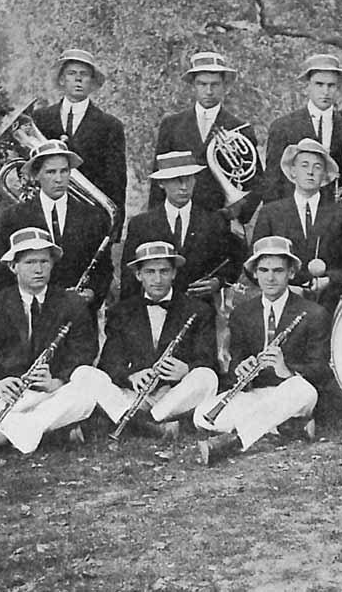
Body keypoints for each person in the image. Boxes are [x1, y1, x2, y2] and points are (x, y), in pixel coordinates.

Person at [0, 228, 98, 454]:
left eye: (44, 261)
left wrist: (56, 381)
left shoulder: (72, 303)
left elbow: (84, 354)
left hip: (52, 395)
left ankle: (1, 437)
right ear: (13, 266)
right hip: (8, 400)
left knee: (87, 391)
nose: (39, 269)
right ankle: (42, 432)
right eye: (30, 262)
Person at [194, 236, 331, 464]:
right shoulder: (242, 313)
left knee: (302, 390)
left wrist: (285, 370)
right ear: (255, 274)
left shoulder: (314, 313)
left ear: (291, 274)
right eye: (264, 270)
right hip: (256, 396)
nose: (270, 277)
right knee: (202, 415)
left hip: (293, 394)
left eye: (278, 270)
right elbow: (236, 361)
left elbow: (321, 370)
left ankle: (234, 442)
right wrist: (241, 369)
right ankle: (281, 429)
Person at [72, 241, 219, 439]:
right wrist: (131, 376)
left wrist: (187, 369)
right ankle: (153, 426)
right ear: (138, 275)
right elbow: (109, 363)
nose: (157, 279)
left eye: (164, 271)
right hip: (135, 396)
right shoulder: (121, 311)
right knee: (86, 374)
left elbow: (209, 360)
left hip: (175, 395)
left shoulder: (198, 310)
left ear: (174, 273)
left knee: (205, 377)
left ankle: (139, 421)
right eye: (150, 272)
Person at [0, 139, 112, 315]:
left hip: (78, 318)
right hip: (30, 316)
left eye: (64, 171)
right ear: (36, 175)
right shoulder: (13, 218)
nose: (58, 179)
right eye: (50, 172)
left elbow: (104, 269)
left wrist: (92, 293)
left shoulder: (93, 217)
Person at [153, 51, 263, 223]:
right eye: (202, 84)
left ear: (225, 86)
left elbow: (255, 183)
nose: (209, 91)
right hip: (178, 218)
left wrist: (237, 216)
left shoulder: (240, 128)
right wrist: (157, 220)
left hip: (221, 220)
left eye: (215, 84)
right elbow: (158, 177)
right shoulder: (171, 125)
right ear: (193, 86)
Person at [253, 139, 342, 313]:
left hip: (328, 305)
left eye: (317, 167)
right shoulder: (270, 213)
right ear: (293, 171)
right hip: (282, 306)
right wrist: (284, 285)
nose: (310, 172)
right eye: (304, 165)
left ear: (324, 175)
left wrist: (328, 280)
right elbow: (253, 265)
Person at [120, 151, 244, 300]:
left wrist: (218, 282)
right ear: (161, 183)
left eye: (189, 179)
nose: (184, 186)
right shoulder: (141, 224)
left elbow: (232, 262)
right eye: (176, 180)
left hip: (200, 312)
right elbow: (129, 276)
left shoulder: (214, 222)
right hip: (152, 311)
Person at [31, 48, 127, 235]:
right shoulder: (40, 119)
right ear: (61, 80)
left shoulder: (110, 125)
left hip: (92, 219)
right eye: (72, 73)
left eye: (84, 75)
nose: (78, 79)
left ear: (92, 83)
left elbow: (117, 181)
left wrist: (114, 228)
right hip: (46, 214)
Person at [263, 54, 342, 203]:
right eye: (319, 84)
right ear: (307, 86)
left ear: (338, 88)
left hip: (332, 214)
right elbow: (272, 180)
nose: (325, 91)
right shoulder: (283, 126)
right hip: (291, 214)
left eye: (331, 85)